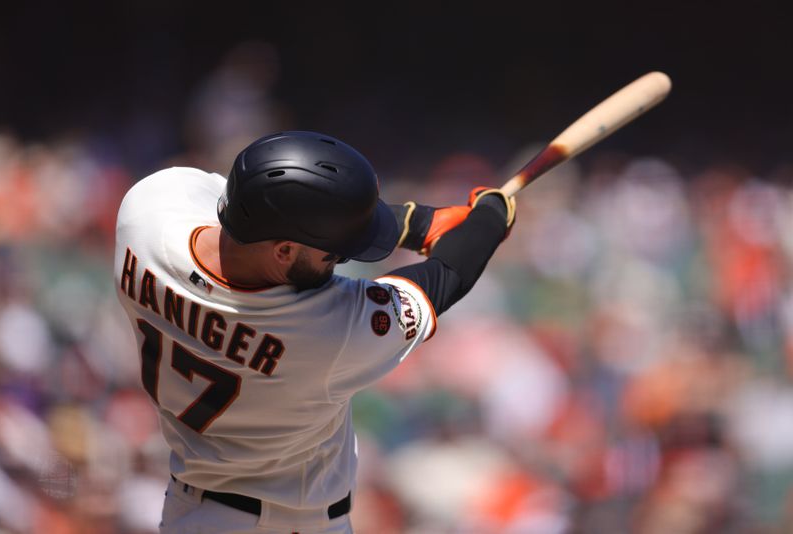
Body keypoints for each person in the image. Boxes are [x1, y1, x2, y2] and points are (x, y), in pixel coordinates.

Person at [113, 130, 516, 533]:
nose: (340, 261)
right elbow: (447, 274)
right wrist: (488, 221)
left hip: (190, 514)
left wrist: (413, 223)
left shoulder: (147, 211)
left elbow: (255, 202)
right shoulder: (327, 332)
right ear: (284, 251)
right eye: (332, 253)